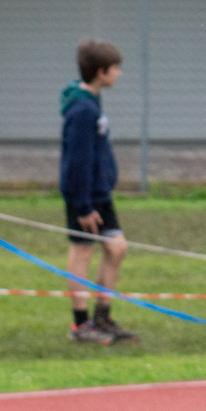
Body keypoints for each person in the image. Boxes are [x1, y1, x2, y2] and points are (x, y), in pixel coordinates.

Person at [58, 40, 138, 347]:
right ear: (101, 72)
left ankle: (103, 317)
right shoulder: (82, 109)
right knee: (83, 251)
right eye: (115, 68)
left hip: (100, 193)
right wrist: (82, 206)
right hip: (84, 196)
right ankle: (80, 325)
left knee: (116, 248)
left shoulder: (92, 101)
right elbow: (77, 161)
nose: (119, 73)